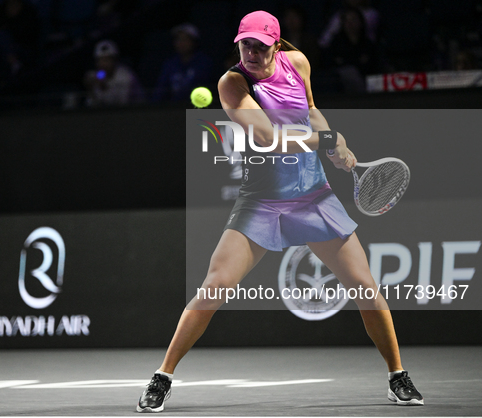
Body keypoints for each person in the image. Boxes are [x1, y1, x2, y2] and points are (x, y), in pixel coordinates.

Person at [136, 10, 424, 413]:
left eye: (259, 44)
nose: (251, 52)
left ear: (276, 44)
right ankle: (161, 378)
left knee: (365, 287)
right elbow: (269, 138)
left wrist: (335, 147)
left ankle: (397, 376)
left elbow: (310, 110)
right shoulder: (232, 83)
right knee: (214, 288)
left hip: (314, 196)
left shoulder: (299, 62)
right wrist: (328, 140)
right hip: (263, 199)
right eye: (244, 44)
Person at [152, 23, 214, 102]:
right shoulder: (170, 64)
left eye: (185, 39)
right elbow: (161, 90)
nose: (181, 43)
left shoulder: (204, 63)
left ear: (194, 42)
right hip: (174, 109)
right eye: (178, 39)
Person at [325, 7, 378, 93]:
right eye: (346, 20)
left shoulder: (368, 44)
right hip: (342, 83)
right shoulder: (336, 42)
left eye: (353, 19)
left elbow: (371, 65)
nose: (349, 23)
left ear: (361, 22)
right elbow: (332, 63)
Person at [83, 39, 144, 107]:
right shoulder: (97, 76)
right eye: (100, 60)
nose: (102, 64)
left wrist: (104, 88)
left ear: (115, 60)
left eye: (106, 60)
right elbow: (92, 106)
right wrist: (91, 90)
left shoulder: (126, 77)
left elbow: (121, 107)